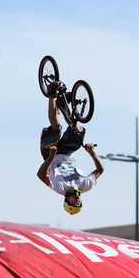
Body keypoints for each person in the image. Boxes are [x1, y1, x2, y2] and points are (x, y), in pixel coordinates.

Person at [36, 81, 104, 215]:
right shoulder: (85, 185)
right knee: (77, 130)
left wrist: (50, 156)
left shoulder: (59, 188)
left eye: (74, 202)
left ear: (67, 199)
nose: (77, 199)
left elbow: (40, 175)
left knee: (56, 127)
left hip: (51, 153)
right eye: (79, 203)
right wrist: (92, 154)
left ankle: (51, 94)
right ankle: (64, 105)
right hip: (66, 152)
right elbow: (100, 170)